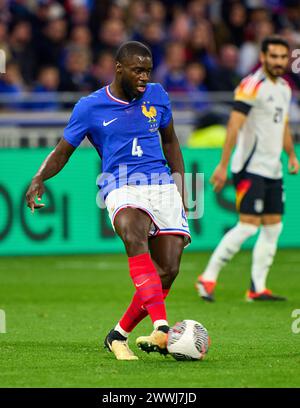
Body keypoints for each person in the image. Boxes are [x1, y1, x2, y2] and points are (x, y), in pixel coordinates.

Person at [26, 41, 190, 360]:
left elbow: (170, 142)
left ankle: (118, 334)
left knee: (168, 270)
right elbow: (63, 151)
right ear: (119, 68)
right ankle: (162, 327)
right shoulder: (90, 107)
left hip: (161, 185)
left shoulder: (158, 96)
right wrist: (39, 177)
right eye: (137, 70)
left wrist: (181, 185)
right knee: (132, 229)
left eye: (148, 71)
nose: (144, 77)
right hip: (121, 183)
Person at [196, 36, 299, 302]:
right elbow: (234, 124)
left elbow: (282, 125)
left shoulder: (285, 88)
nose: (278, 61)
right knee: (248, 226)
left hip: (273, 169)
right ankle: (208, 277)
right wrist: (223, 164)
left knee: (273, 227)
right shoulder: (252, 85)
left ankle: (257, 288)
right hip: (250, 167)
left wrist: (291, 155)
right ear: (262, 57)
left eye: (282, 57)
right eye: (273, 56)